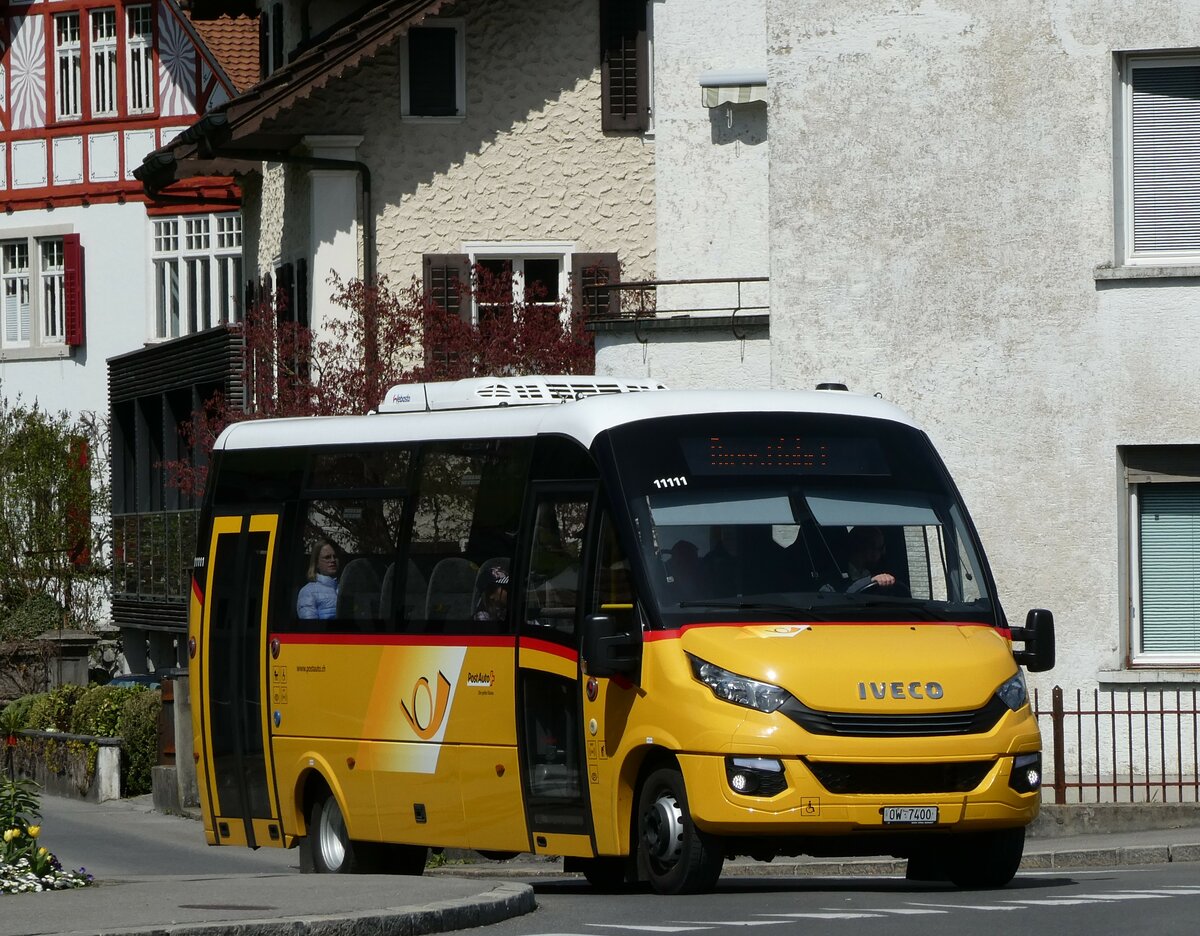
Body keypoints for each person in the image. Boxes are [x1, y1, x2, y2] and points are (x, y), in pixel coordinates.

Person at [844, 525, 896, 593]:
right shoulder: (836, 573)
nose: (883, 553)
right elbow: (841, 596)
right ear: (861, 547)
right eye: (879, 548)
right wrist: (870, 581)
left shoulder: (872, 571)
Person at [297, 539, 339, 619]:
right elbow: (310, 627)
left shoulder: (346, 587)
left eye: (335, 556)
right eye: (327, 557)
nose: (333, 560)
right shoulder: (308, 592)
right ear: (316, 563)